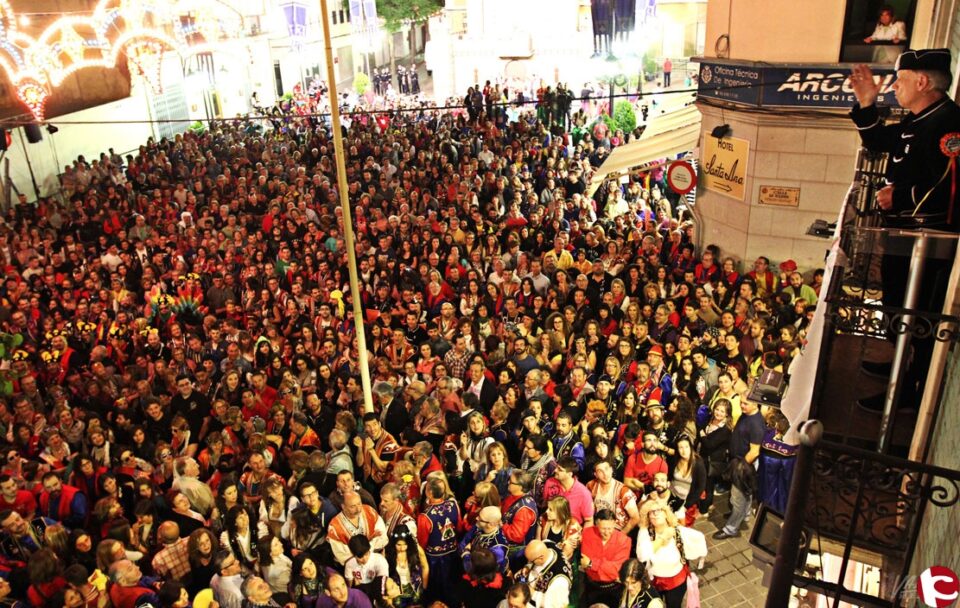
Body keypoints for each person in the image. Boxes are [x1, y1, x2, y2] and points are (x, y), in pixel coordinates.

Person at [849, 50, 960, 413]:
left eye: (901, 80)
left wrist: (899, 196)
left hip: (927, 243)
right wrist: (867, 104)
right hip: (903, 240)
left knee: (918, 315)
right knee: (896, 306)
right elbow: (879, 141)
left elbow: (949, 188)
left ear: (923, 82)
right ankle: (900, 362)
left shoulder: (947, 125)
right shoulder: (918, 120)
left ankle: (910, 386)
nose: (895, 87)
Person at [635, 502, 706, 608]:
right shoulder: (645, 532)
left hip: (676, 580)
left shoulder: (677, 530)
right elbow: (642, 555)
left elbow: (699, 537)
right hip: (654, 579)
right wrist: (663, 538)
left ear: (665, 514)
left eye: (658, 510)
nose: (655, 514)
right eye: (651, 512)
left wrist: (701, 559)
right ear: (648, 518)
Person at [580, 509, 631, 608]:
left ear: (614, 524)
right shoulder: (587, 533)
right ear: (596, 524)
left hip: (613, 589)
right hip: (591, 586)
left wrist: (592, 564)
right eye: (603, 528)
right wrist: (607, 567)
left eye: (610, 528)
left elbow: (617, 571)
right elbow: (584, 563)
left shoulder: (624, 540)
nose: (607, 532)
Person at [520, 540, 572, 608]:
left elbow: (552, 604)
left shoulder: (559, 581)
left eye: (532, 561)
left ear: (541, 558)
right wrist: (527, 567)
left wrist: (532, 592)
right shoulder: (547, 544)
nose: (530, 562)